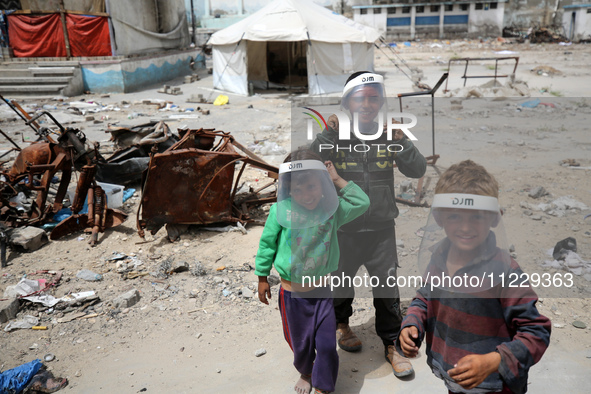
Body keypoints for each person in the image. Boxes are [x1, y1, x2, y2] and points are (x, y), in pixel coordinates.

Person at [397, 160, 551, 393]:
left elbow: (536, 332)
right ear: (440, 218)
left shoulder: (505, 272)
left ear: (494, 218)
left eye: (476, 217)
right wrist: (412, 323)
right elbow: (425, 297)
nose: (466, 227)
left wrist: (493, 361)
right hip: (454, 375)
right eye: (455, 216)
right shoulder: (439, 257)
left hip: (494, 385)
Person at [309, 71, 426, 377]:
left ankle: (391, 344)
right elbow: (311, 162)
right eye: (360, 97)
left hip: (381, 228)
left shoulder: (390, 134)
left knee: (387, 287)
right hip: (344, 227)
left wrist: (403, 141)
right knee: (341, 282)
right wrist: (329, 131)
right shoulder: (335, 136)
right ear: (348, 102)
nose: (367, 103)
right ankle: (342, 325)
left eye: (374, 97)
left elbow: (417, 169)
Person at [255, 149, 370, 394]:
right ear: (287, 189)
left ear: (323, 184)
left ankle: (323, 386)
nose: (305, 195)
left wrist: (337, 179)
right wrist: (262, 277)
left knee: (327, 345)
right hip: (291, 297)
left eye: (312, 186)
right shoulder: (281, 212)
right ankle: (306, 372)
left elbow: (362, 202)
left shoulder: (331, 211)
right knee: (301, 346)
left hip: (322, 294)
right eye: (298, 189)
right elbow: (266, 245)